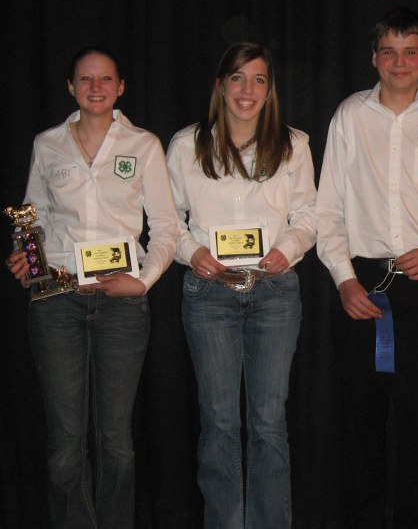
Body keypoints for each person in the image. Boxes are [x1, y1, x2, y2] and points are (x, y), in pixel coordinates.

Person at [316, 7, 418, 528]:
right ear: (374, 57)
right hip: (360, 284)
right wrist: (344, 279)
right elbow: (328, 210)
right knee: (360, 427)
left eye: (411, 50)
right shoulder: (349, 115)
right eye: (388, 51)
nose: (399, 61)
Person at [4, 46, 179, 528]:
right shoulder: (47, 144)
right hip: (56, 299)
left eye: (105, 80)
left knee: (115, 439)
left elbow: (166, 228)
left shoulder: (144, 145)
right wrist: (26, 253)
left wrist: (142, 283)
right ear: (71, 87)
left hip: (121, 304)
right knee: (65, 440)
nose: (96, 88)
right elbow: (31, 218)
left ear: (121, 87)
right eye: (86, 80)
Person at [166, 41, 316, 529]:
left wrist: (287, 250)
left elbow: (310, 217)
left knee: (269, 424)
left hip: (274, 293)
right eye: (237, 78)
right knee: (220, 425)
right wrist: (194, 254)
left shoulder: (294, 144)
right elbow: (169, 223)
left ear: (269, 89)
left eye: (258, 79)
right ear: (220, 86)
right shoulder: (187, 145)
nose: (246, 90)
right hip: (209, 295)